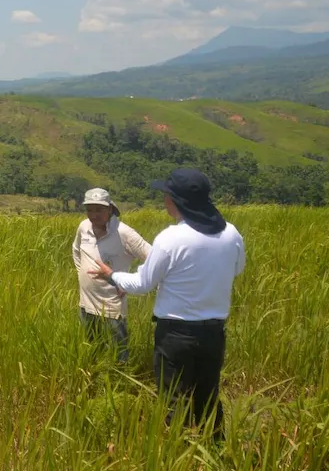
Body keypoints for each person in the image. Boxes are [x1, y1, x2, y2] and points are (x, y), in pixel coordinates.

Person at [89, 168, 245, 441]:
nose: (164, 200)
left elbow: (142, 284)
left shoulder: (171, 239)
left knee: (175, 400)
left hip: (176, 335)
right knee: (208, 396)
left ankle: (180, 460)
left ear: (178, 200)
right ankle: (216, 451)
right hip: (214, 334)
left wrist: (112, 276)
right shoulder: (231, 234)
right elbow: (237, 269)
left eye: (167, 195)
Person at [72, 187, 151, 363]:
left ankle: (121, 385)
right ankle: (96, 380)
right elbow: (76, 251)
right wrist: (81, 274)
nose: (93, 215)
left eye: (98, 210)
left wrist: (128, 282)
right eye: (89, 210)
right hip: (86, 303)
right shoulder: (84, 227)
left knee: (119, 353)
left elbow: (153, 259)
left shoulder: (124, 233)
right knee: (92, 350)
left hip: (112, 305)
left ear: (109, 209)